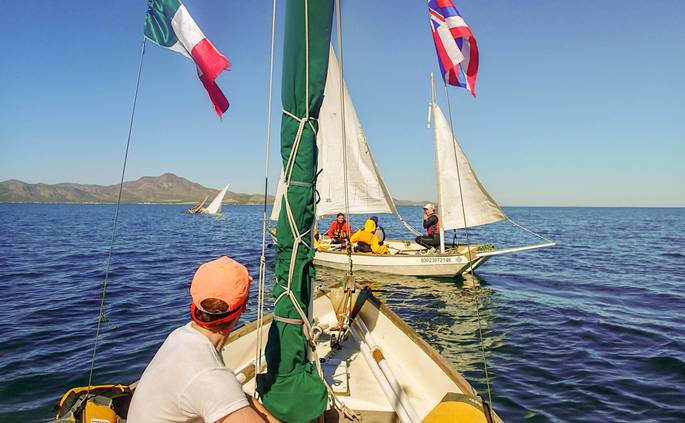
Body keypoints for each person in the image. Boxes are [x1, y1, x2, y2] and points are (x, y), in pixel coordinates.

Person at [128, 256, 270, 423]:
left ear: (195, 302)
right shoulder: (210, 376)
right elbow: (217, 388)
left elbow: (235, 397)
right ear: (244, 308)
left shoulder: (181, 336)